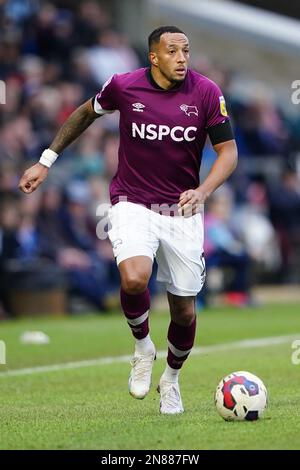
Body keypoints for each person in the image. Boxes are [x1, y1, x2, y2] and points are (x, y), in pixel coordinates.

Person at [19, 26, 238, 414]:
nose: (182, 58)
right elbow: (85, 112)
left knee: (184, 311)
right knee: (134, 278)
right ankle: (142, 347)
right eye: (173, 51)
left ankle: (170, 379)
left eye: (186, 50)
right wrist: (46, 160)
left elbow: (228, 152)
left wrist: (203, 192)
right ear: (154, 56)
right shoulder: (124, 86)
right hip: (131, 202)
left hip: (182, 210)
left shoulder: (206, 93)